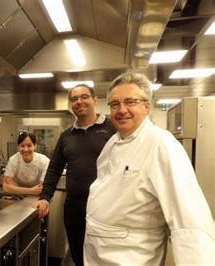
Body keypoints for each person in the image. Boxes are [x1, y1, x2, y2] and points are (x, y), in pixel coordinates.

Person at [84, 72, 214, 264]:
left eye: (130, 102)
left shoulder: (161, 144)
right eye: (115, 104)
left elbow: (188, 219)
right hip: (100, 252)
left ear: (146, 107)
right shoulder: (112, 143)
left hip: (132, 256)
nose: (121, 110)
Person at [32, 84, 115, 266]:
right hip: (74, 207)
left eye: (84, 97)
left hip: (106, 206)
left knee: (103, 257)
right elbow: (54, 168)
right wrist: (45, 197)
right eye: (74, 99)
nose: (79, 102)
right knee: (78, 255)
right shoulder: (66, 136)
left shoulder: (112, 128)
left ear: (95, 100)